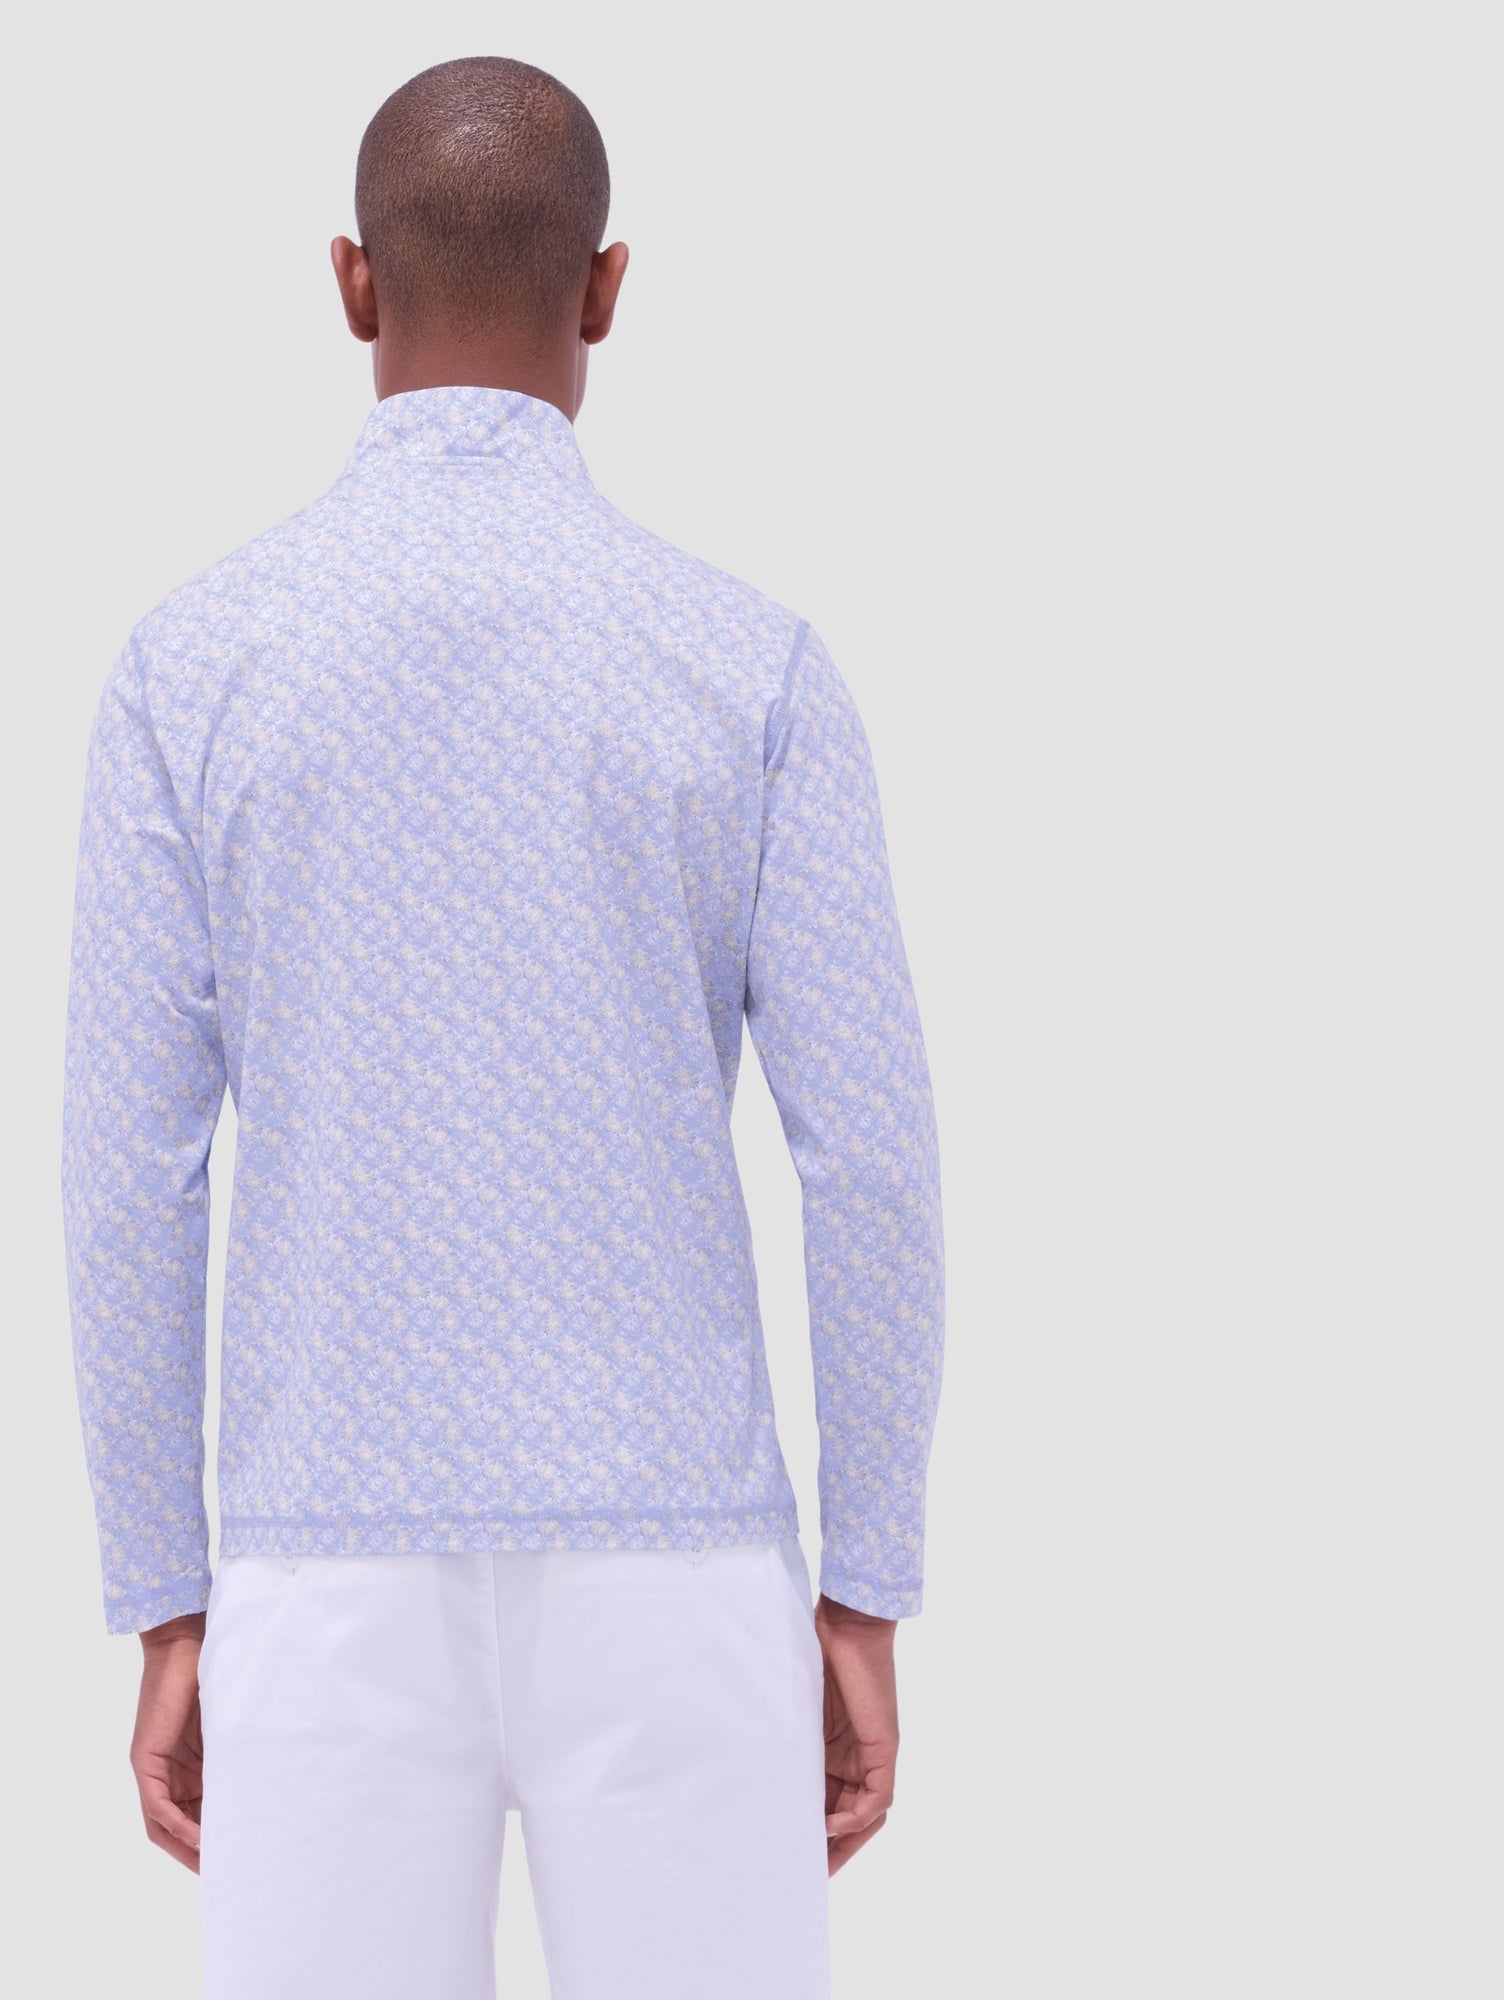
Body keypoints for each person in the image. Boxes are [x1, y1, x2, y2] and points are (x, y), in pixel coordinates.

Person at [61, 54, 945, 2000]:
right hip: (678, 1554)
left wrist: (166, 1595)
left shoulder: (190, 668)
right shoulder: (750, 666)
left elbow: (128, 1171)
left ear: (351, 284)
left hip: (324, 1550)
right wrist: (865, 1585)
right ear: (605, 290)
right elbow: (869, 1156)